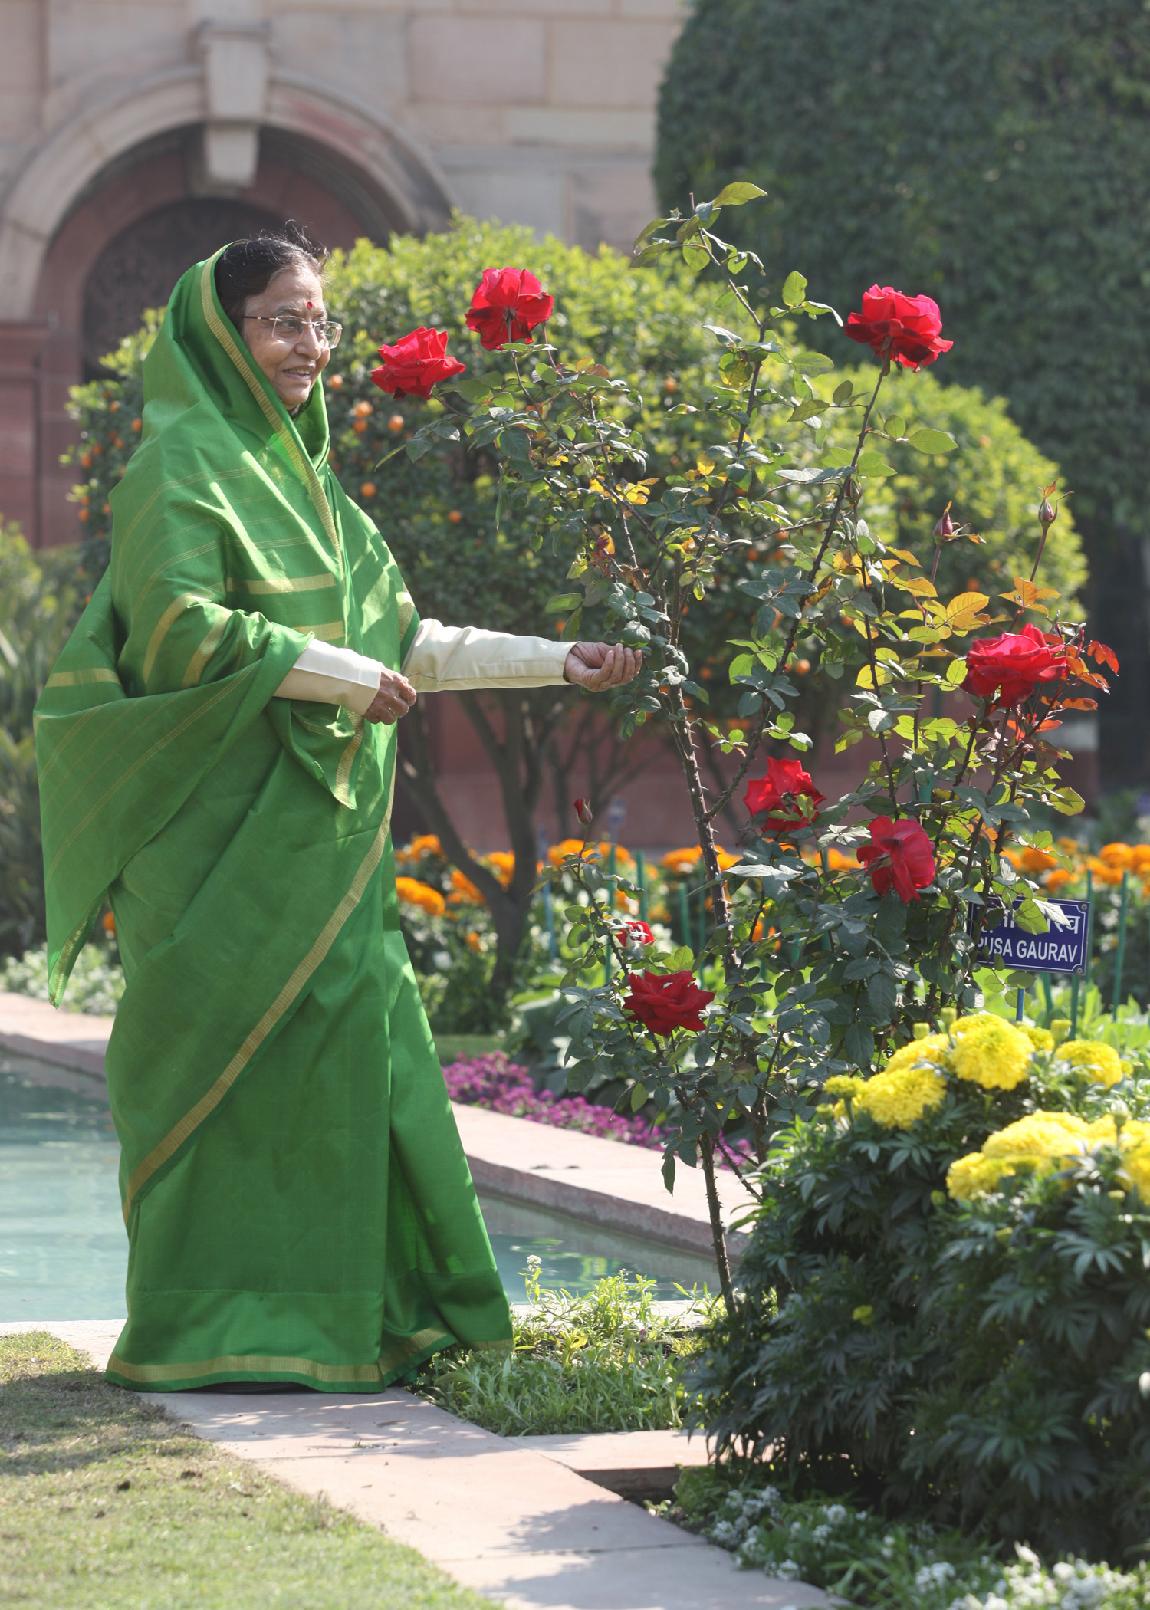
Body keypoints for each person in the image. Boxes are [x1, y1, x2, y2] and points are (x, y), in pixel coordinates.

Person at [35, 224, 641, 1393]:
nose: (310, 345)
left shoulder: (317, 490)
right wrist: (340, 677)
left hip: (328, 840)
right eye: (283, 321)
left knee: (360, 1083)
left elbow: (401, 639)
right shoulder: (178, 465)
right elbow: (177, 632)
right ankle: (208, 1329)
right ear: (224, 332)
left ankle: (378, 1320)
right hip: (213, 849)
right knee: (216, 1092)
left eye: (319, 322)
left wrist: (553, 659)